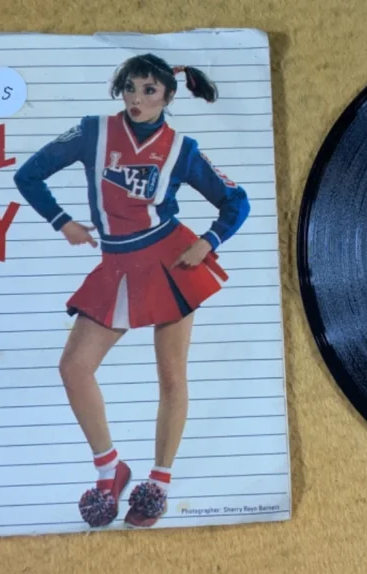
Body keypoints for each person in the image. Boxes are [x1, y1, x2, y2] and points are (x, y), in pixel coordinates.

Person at [13, 53, 250, 529]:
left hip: (170, 260)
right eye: (130, 89)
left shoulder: (181, 148)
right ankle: (109, 470)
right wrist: (63, 222)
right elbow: (29, 174)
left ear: (167, 95)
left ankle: (158, 483)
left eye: (148, 90)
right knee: (74, 368)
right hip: (117, 263)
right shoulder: (91, 132)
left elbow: (236, 200)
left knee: (171, 377)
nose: (137, 99)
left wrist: (209, 241)